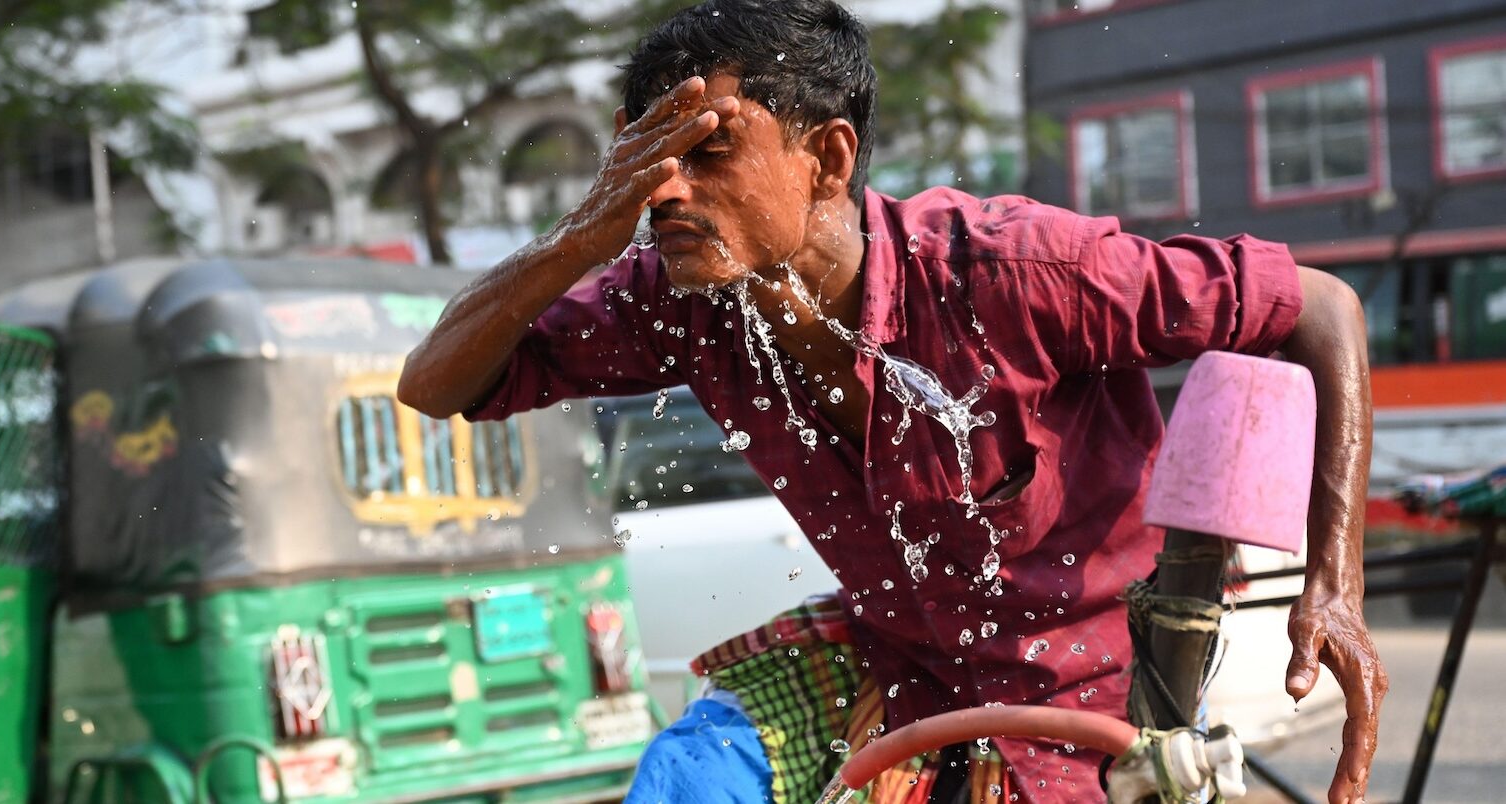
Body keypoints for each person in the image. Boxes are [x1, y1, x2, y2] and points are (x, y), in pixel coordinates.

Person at [399, 1, 1387, 801]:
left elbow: (1320, 307)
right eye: (644, 162)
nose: (662, 195)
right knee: (685, 782)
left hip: (1090, 695)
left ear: (826, 157)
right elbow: (435, 383)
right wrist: (581, 234)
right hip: (891, 662)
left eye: (706, 151)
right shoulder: (681, 302)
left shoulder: (1014, 269)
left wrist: (1334, 588)